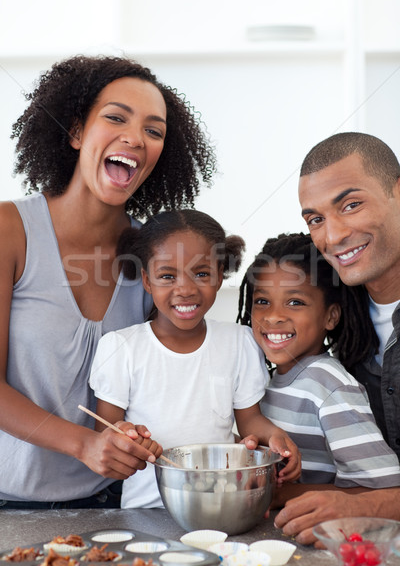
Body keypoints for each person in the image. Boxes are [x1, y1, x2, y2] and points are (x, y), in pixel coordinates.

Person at [0, 55, 216, 509]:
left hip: (112, 502)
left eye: (154, 131)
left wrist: (132, 434)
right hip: (8, 503)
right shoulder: (9, 230)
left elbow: (155, 376)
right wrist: (83, 444)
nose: (135, 138)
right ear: (77, 132)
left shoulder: (152, 257)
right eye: (116, 117)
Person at [89, 209, 301, 508]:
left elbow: (250, 419)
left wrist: (275, 436)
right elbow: (106, 430)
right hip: (147, 511)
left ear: (219, 276)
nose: (186, 289)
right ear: (147, 281)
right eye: (167, 276)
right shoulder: (122, 347)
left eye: (201, 274)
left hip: (225, 505)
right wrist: (127, 436)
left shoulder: (239, 342)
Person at [274, 131, 400, 544]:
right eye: (315, 219)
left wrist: (365, 505)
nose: (333, 236)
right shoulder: (341, 318)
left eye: (351, 205)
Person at [237, 231, 400, 507]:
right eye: (263, 301)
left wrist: (280, 495)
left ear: (330, 316)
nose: (274, 316)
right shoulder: (264, 380)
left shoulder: (328, 384)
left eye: (295, 302)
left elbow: (382, 489)